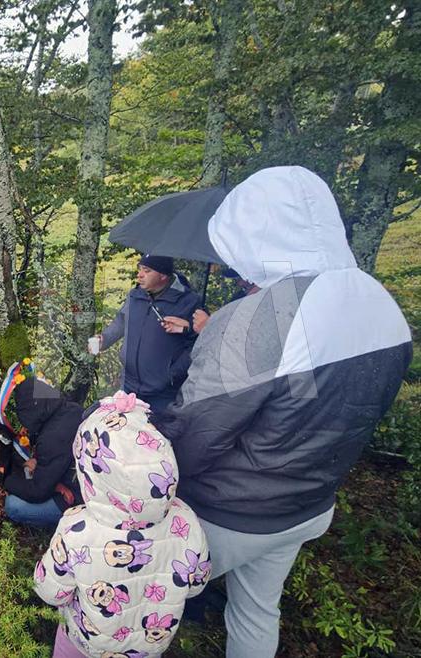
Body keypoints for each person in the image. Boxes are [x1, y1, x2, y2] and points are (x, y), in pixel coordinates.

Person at [153, 166, 412, 658]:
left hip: (229, 515)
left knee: (134, 600)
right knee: (255, 611)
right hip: (309, 506)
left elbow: (196, 433)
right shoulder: (381, 306)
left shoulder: (264, 316)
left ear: (253, 232)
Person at [33, 390, 209, 657]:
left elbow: (50, 591)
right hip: (147, 650)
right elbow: (196, 584)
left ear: (88, 470)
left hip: (84, 647)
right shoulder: (185, 520)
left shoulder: (76, 529)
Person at [90, 255, 200, 413]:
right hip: (129, 385)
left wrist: (172, 374)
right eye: (139, 269)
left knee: (155, 435)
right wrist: (103, 339)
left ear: (163, 275)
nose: (139, 275)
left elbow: (198, 342)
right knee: (124, 431)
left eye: (146, 271)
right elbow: (121, 322)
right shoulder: (135, 295)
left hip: (163, 393)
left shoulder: (188, 302)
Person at [2, 375, 84, 528]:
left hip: (78, 500)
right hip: (82, 483)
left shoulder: (52, 437)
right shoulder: (72, 409)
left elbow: (37, 492)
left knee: (13, 505)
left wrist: (6, 480)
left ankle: (69, 523)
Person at [164, 268, 260, 335]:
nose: (238, 283)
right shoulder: (238, 297)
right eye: (236, 280)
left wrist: (207, 328)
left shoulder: (262, 303)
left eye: (239, 278)